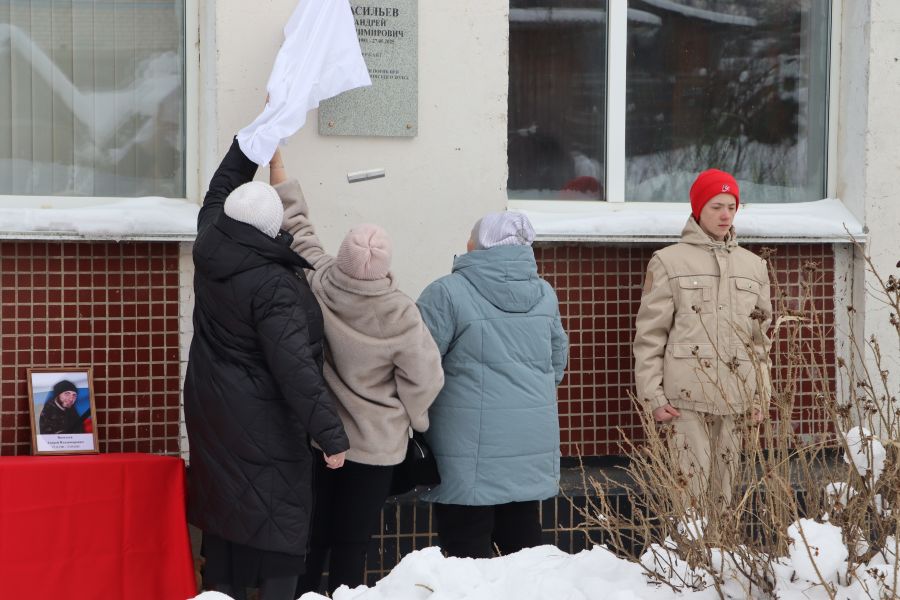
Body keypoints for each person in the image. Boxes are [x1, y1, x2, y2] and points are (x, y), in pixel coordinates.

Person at [269, 148, 444, 594]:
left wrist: (278, 167)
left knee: (313, 538)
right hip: (377, 448)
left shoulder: (319, 280)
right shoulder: (401, 312)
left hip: (321, 440)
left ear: (344, 256)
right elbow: (426, 378)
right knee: (353, 543)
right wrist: (412, 418)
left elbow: (298, 228)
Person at [183, 137, 349, 600]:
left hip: (213, 407)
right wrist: (330, 434)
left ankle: (221, 591)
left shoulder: (211, 239)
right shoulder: (273, 284)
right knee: (276, 521)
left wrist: (251, 142)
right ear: (272, 229)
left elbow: (221, 187)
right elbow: (294, 367)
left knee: (225, 513)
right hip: (264, 420)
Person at [416, 212, 569, 559]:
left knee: (466, 548)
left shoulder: (446, 293)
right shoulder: (544, 293)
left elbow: (418, 366)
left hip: (464, 448)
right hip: (528, 441)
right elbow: (556, 363)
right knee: (522, 545)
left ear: (480, 245)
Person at [633, 168, 773, 512]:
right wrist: (652, 395)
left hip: (736, 398)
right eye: (716, 206)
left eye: (731, 207)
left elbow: (760, 341)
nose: (725, 215)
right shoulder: (668, 261)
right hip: (686, 401)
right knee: (690, 500)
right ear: (698, 209)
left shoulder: (753, 266)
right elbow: (650, 335)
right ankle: (690, 547)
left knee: (725, 500)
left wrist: (760, 394)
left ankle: (722, 548)